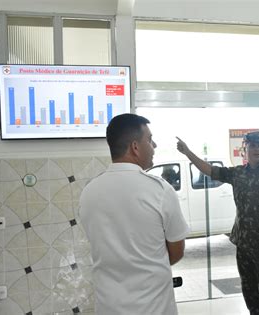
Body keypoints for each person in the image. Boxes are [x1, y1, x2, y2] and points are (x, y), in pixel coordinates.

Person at [80, 113, 189, 315]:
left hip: (108, 308)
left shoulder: (89, 191)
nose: (154, 145)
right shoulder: (160, 190)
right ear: (135, 147)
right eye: (149, 139)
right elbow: (176, 251)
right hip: (154, 308)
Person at [177, 132, 259, 315]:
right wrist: (188, 153)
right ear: (245, 149)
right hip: (243, 244)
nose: (257, 149)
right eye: (253, 146)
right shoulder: (238, 174)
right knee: (250, 291)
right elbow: (210, 170)